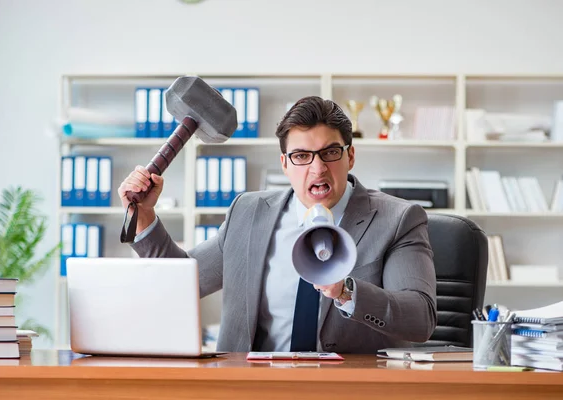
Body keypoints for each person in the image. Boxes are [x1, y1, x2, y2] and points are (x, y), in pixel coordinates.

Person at [118, 96, 437, 353]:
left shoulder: (397, 219)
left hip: (348, 390)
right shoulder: (248, 212)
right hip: (252, 388)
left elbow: (420, 318)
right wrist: (144, 218)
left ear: (350, 156)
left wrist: (346, 291)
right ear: (284, 163)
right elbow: (183, 283)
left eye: (330, 152)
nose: (318, 168)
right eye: (301, 156)